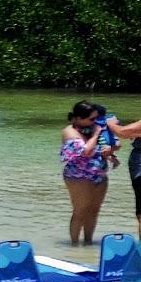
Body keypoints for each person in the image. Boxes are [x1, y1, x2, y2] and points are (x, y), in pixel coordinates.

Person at [61, 101, 109, 246]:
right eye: (91, 119)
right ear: (78, 118)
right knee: (80, 211)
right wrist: (95, 135)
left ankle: (88, 243)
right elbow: (86, 151)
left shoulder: (93, 129)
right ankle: (74, 245)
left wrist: (110, 151)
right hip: (78, 176)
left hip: (99, 175)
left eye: (96, 118)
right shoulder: (69, 131)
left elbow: (101, 148)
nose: (95, 122)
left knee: (94, 211)